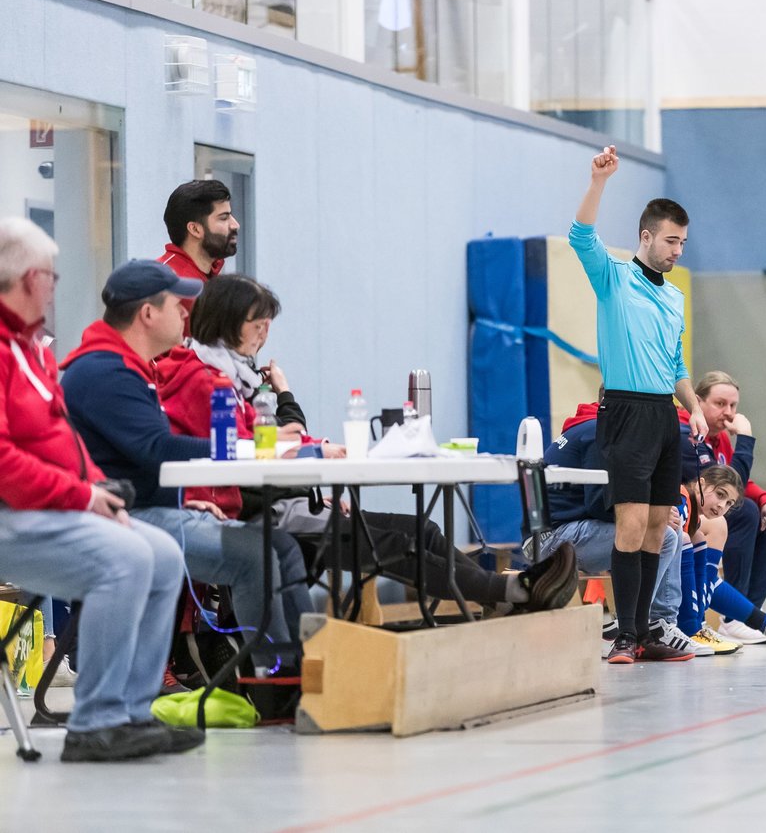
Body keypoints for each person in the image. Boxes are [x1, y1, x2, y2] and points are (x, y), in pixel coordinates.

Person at [156, 273, 579, 615]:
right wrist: (307, 456)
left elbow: (271, 438)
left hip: (285, 500)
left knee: (422, 529)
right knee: (391, 545)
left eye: (268, 325)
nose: (264, 335)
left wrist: (312, 455)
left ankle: (502, 601)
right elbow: (240, 451)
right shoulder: (204, 379)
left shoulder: (235, 376)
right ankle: (517, 589)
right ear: (228, 322)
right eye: (257, 324)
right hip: (258, 511)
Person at [0, 218, 201, 761]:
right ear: (27, 278)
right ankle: (95, 722)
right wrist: (82, 498)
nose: (56, 286)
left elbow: (64, 442)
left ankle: (133, 712)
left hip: (47, 507)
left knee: (162, 552)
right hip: (11, 514)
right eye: (51, 275)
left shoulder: (35, 351)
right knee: (127, 557)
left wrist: (96, 490)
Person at [59, 260, 306, 668]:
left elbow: (137, 458)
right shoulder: (105, 372)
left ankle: (305, 667)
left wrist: (183, 499)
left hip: (145, 507)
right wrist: (240, 449)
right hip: (118, 518)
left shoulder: (127, 368)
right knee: (253, 557)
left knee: (275, 545)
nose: (186, 314)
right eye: (177, 304)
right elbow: (155, 449)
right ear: (148, 314)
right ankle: (277, 677)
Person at [570, 145, 708, 664]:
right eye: (671, 240)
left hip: (665, 417)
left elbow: (676, 364)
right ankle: (623, 635)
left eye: (683, 242)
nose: (677, 250)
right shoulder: (614, 279)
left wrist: (692, 406)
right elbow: (580, 236)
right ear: (646, 237)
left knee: (658, 526)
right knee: (629, 525)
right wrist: (598, 182)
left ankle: (646, 629)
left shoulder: (674, 298)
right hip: (625, 413)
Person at [541, 396, 710, 657]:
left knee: (664, 529)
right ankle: (636, 623)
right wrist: (651, 514)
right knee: (661, 534)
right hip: (552, 541)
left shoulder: (601, 427)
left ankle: (654, 623)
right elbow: (600, 503)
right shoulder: (598, 435)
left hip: (571, 530)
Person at [681, 371, 766, 645]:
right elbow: (722, 486)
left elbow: (739, 484)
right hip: (685, 511)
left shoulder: (720, 440)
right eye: (719, 404)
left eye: (733, 406)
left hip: (704, 512)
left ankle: (749, 609)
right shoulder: (687, 428)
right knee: (744, 513)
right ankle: (734, 619)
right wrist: (746, 439)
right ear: (697, 401)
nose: (728, 413)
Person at [676, 465, 766, 649]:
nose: (722, 506)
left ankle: (761, 623)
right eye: (720, 495)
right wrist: (744, 441)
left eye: (729, 504)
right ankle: (695, 627)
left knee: (699, 537)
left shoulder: (721, 444)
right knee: (704, 532)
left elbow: (736, 479)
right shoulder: (683, 494)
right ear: (701, 484)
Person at [158, 180, 239, 327]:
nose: (235, 225)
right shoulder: (162, 281)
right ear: (195, 229)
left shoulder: (210, 278)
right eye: (224, 217)